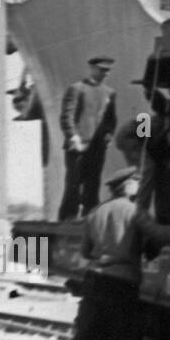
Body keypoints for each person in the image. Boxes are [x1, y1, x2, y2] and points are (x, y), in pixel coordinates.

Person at [51, 167, 162, 340]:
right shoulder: (136, 212)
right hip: (122, 283)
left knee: (84, 338)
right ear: (128, 185)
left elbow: (85, 251)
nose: (138, 185)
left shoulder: (96, 212)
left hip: (94, 281)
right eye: (136, 181)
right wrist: (147, 251)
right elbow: (158, 236)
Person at [59, 57, 118, 221]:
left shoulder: (110, 93)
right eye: (102, 69)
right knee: (73, 183)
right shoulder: (76, 89)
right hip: (78, 146)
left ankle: (90, 217)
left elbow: (111, 120)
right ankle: (67, 218)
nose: (105, 73)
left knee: (93, 183)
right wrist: (73, 136)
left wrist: (108, 134)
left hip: (97, 147)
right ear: (92, 68)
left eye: (108, 70)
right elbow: (66, 116)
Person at [114, 86, 170, 223]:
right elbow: (145, 140)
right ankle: (139, 212)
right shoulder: (153, 121)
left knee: (167, 171)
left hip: (147, 141)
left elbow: (164, 150)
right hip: (130, 136)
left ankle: (164, 214)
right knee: (148, 169)